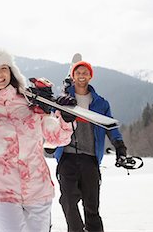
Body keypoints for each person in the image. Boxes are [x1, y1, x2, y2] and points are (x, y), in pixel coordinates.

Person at [0, 47, 76, 232]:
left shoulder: (31, 103)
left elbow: (56, 138)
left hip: (37, 187)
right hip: (2, 191)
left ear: (11, 71)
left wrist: (64, 119)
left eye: (3, 68)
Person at [53, 61, 127, 232]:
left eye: (85, 72)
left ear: (90, 76)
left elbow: (111, 127)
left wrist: (119, 146)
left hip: (90, 158)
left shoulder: (100, 103)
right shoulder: (63, 99)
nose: (82, 75)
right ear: (73, 76)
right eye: (78, 72)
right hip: (67, 157)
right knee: (68, 201)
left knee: (91, 206)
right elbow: (52, 121)